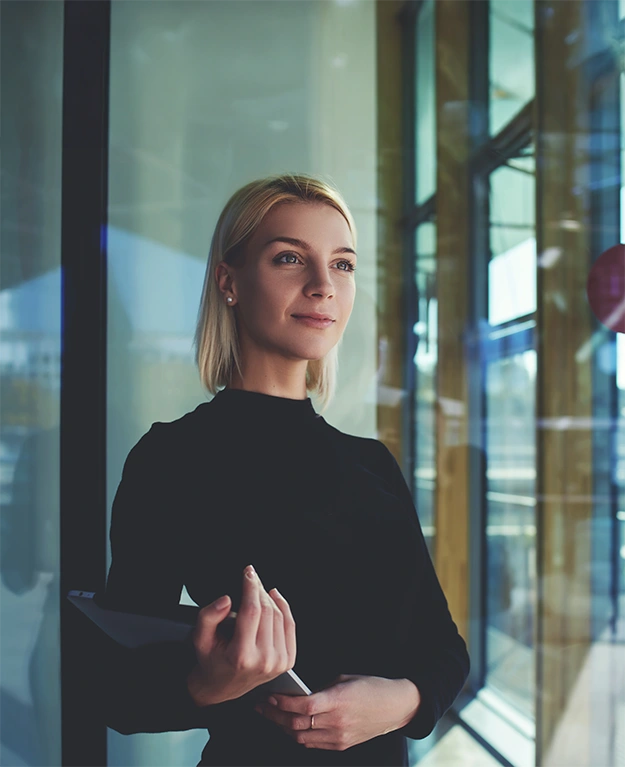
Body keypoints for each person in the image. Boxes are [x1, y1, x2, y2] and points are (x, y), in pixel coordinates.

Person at [97, 174, 470, 766]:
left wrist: (400, 703)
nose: (324, 286)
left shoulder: (371, 462)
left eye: (342, 265)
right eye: (290, 258)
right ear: (229, 282)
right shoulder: (172, 458)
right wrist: (207, 685)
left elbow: (444, 650)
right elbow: (115, 690)